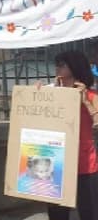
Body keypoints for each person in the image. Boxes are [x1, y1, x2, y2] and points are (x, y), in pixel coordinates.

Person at [45, 51, 98, 220]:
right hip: (57, 159)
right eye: (57, 64)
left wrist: (85, 101)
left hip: (84, 160)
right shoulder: (51, 93)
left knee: (89, 208)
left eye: (62, 64)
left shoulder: (91, 95)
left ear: (75, 67)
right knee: (57, 211)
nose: (57, 68)